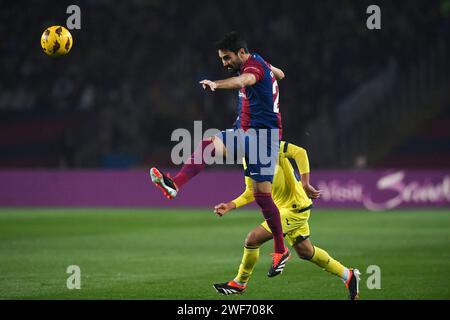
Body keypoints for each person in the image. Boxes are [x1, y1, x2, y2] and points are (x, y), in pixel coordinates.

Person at [150, 31, 290, 277]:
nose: (224, 63)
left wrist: (217, 84)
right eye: (222, 59)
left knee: (260, 194)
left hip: (263, 137)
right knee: (214, 149)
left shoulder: (252, 67)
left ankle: (281, 249)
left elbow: (244, 81)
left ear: (242, 53)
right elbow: (280, 74)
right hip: (247, 131)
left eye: (227, 58)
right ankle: (175, 184)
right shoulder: (260, 61)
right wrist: (273, 73)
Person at [212, 141, 361, 300]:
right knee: (305, 252)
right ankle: (348, 275)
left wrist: (305, 183)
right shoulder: (246, 160)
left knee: (252, 239)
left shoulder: (269, 144)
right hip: (282, 211)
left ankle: (240, 283)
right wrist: (230, 206)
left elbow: (300, 152)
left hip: (295, 208)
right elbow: (251, 191)